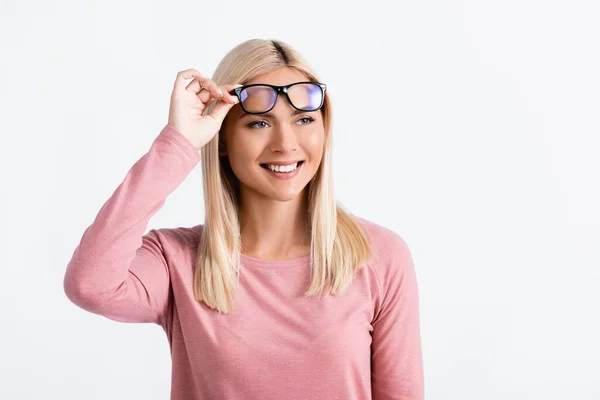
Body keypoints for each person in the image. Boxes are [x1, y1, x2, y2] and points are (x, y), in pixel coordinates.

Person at [63, 38, 424, 400]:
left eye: (303, 120)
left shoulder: (380, 258)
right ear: (221, 138)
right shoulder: (178, 261)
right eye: (258, 124)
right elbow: (90, 284)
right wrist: (178, 144)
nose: (285, 143)